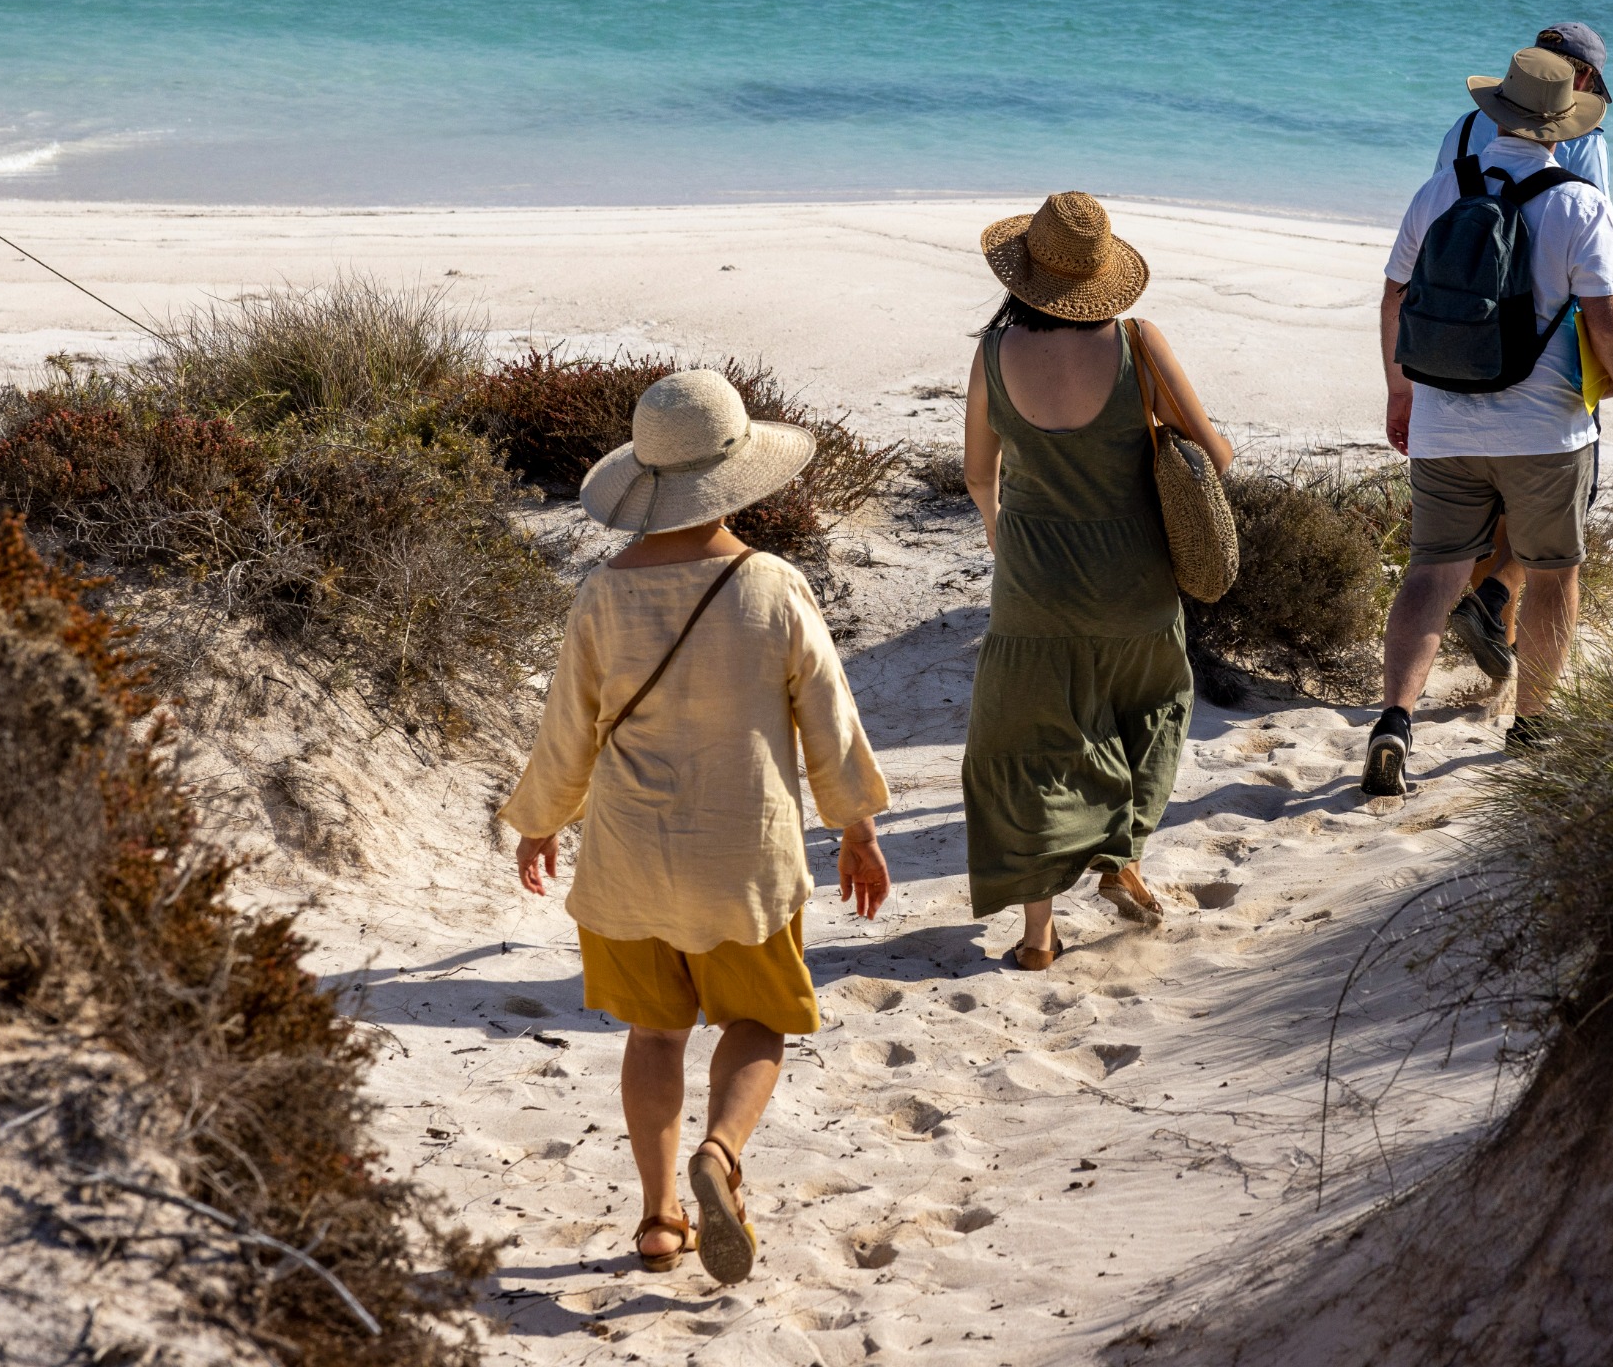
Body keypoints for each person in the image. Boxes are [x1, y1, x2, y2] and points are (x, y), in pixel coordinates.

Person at [502, 369, 894, 1287]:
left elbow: (567, 731)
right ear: (736, 473)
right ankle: (719, 1154)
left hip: (630, 857)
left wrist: (539, 823)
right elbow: (829, 720)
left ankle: (656, 1218)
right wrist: (857, 826)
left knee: (653, 1035)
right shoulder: (773, 585)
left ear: (647, 480)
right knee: (758, 1022)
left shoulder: (603, 595)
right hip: (743, 858)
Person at [1367, 47, 1613, 797]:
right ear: (1564, 124)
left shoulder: (1439, 190)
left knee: (1432, 572)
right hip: (1546, 430)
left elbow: (1395, 296)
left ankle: (1394, 720)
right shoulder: (1580, 203)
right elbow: (1609, 317)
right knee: (1554, 576)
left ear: (1497, 112)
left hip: (1442, 420)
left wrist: (1400, 391)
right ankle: (1531, 726)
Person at [961, 190, 1234, 971]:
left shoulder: (993, 354)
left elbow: (979, 475)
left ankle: (1037, 936)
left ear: (1024, 275)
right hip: (1133, 575)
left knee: (1032, 741)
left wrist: (1005, 537)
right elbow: (1214, 456)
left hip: (1032, 579)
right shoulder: (1138, 343)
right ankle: (1122, 856)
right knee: (1154, 705)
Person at [1425, 22, 1613, 687]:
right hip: (1542, 334)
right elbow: (1600, 242)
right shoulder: (1580, 137)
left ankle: (1498, 648)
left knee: (1479, 491)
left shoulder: (1462, 129)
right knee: (1555, 490)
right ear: (1582, 80)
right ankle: (1499, 596)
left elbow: (1436, 224)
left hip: (1455, 332)